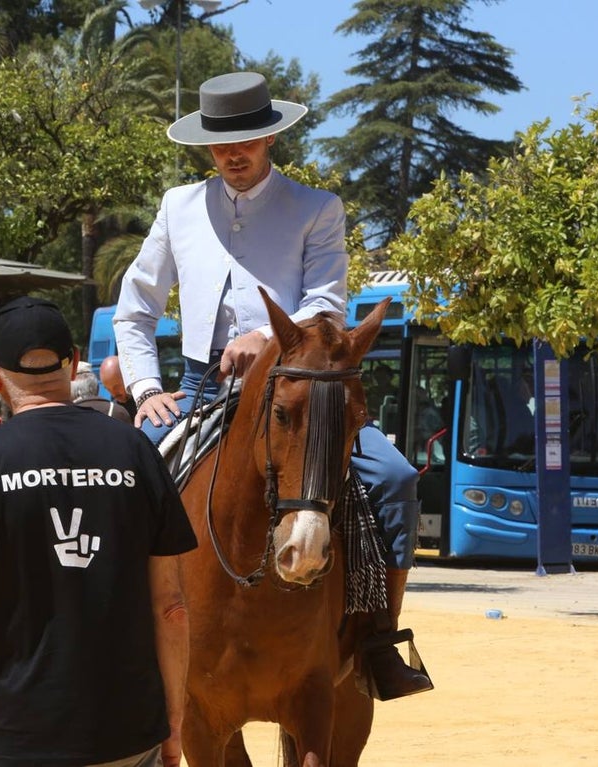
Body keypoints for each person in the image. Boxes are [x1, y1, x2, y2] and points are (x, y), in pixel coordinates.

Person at [113, 70, 430, 700]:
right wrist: (147, 387)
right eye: (220, 144)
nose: (233, 154)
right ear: (206, 147)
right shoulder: (179, 206)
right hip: (202, 384)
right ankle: (120, 639)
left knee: (393, 480)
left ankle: (378, 640)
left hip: (302, 384)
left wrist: (268, 336)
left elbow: (327, 302)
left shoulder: (317, 208)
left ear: (270, 139)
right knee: (126, 489)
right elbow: (135, 307)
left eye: (246, 142)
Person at [0, 296, 196, 767]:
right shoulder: (135, 450)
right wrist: (172, 727)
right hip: (129, 734)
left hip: (17, 740)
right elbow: (171, 609)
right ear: (71, 363)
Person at [99, 355, 137, 420]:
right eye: (108, 389)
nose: (114, 394)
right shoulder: (111, 411)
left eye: (116, 387)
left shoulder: (145, 401)